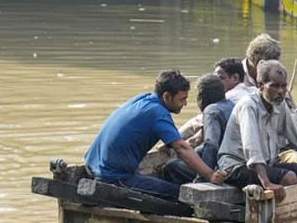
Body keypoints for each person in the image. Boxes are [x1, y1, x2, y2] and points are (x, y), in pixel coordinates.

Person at [84, 70, 225, 201]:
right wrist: (210, 174)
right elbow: (182, 148)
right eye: (182, 99)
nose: (185, 104)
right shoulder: (158, 113)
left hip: (92, 166)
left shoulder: (142, 99)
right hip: (114, 178)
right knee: (182, 194)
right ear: (167, 96)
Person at [216, 60, 297, 203]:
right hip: (236, 165)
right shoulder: (249, 106)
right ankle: (277, 218)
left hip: (266, 163)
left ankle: (293, 211)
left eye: (284, 86)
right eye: (275, 86)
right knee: (289, 177)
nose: (280, 91)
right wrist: (266, 183)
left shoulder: (280, 104)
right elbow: (251, 148)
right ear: (261, 86)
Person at [163, 74, 235, 185]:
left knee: (171, 165)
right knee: (198, 151)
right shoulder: (231, 105)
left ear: (201, 97)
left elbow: (212, 145)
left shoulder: (211, 111)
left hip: (224, 170)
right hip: (233, 162)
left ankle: (176, 198)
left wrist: (204, 178)